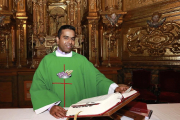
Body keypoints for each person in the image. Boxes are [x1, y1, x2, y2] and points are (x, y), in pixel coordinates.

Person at [30, 25, 130, 119]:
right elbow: (39, 86)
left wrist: (115, 88)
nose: (70, 41)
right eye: (66, 38)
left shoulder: (81, 60)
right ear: (57, 40)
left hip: (78, 111)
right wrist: (51, 106)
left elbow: (96, 79)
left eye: (72, 38)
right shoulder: (47, 61)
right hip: (56, 113)